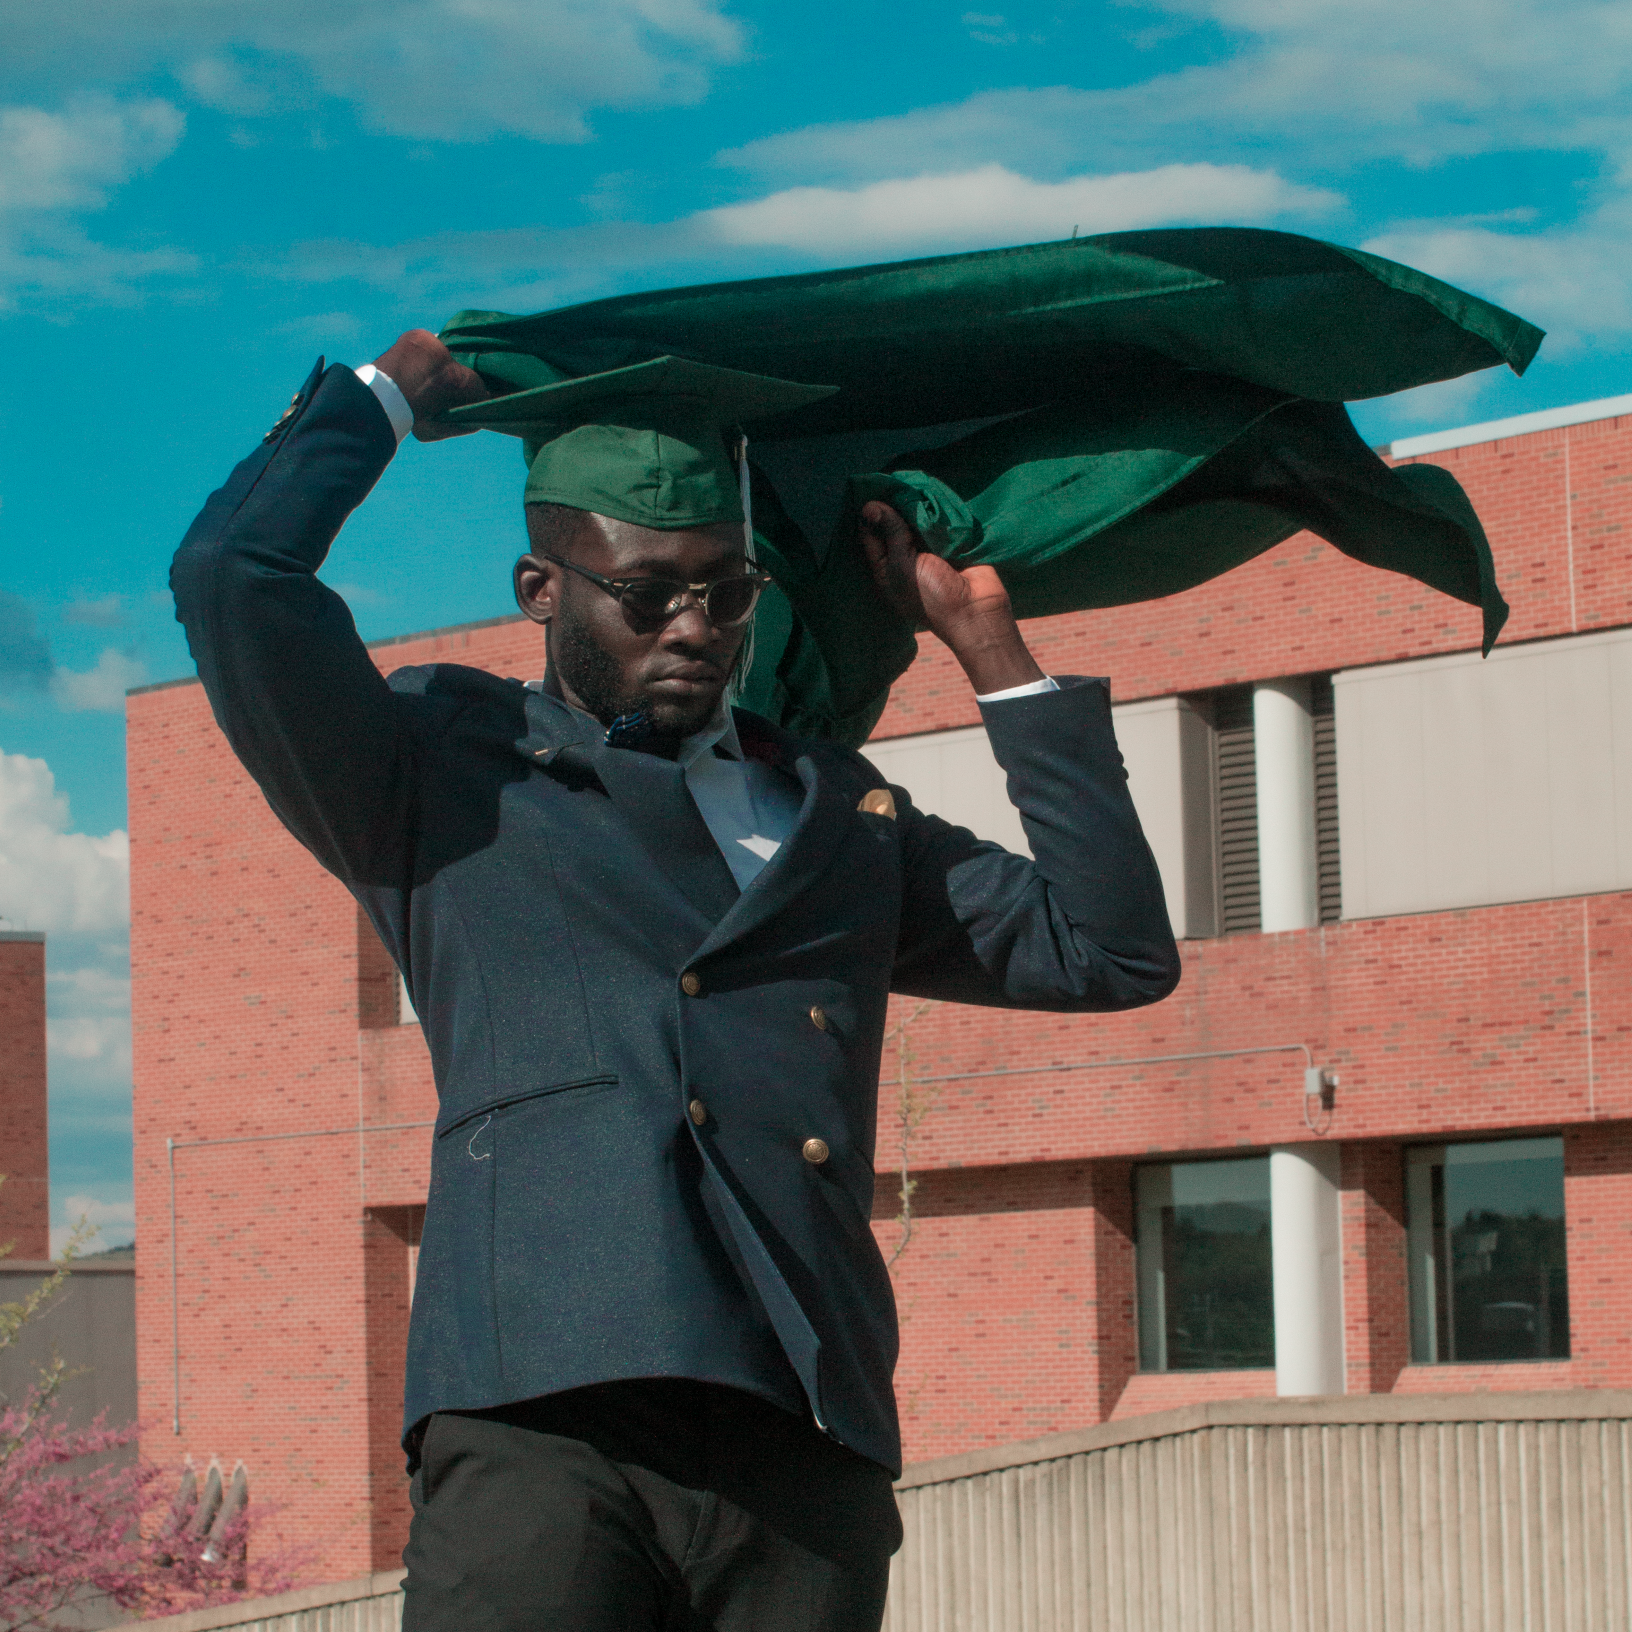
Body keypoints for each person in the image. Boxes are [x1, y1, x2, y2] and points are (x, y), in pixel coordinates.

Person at [171, 327, 1181, 1632]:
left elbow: (1108, 951)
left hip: (802, 1439)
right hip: (542, 1419)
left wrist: (995, 656)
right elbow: (233, 575)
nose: (696, 629)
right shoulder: (438, 771)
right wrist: (385, 398)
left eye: (727, 592)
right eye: (647, 596)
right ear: (541, 587)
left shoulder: (839, 814)